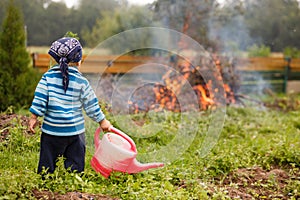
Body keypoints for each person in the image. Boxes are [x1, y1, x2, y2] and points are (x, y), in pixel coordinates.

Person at [29, 37, 111, 174]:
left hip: (52, 132)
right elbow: (91, 104)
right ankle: (74, 181)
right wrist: (103, 121)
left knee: (47, 163)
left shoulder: (47, 78)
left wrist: (33, 117)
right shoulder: (81, 82)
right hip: (75, 133)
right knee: (75, 164)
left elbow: (40, 98)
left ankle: (45, 180)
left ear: (55, 59)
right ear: (79, 61)